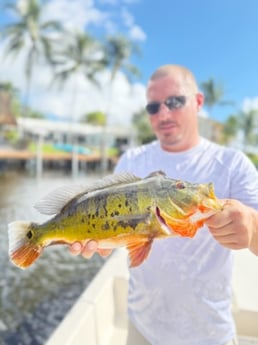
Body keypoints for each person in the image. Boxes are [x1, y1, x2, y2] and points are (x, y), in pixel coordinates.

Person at [70, 64, 258, 345]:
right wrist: (99, 243)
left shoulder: (233, 164)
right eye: (153, 107)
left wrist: (253, 228)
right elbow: (113, 236)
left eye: (174, 101)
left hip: (210, 334)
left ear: (198, 101)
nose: (163, 114)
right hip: (141, 329)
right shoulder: (132, 160)